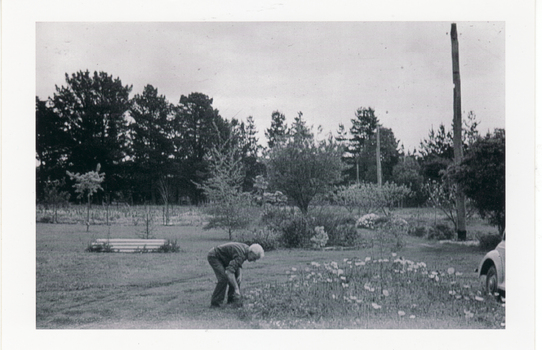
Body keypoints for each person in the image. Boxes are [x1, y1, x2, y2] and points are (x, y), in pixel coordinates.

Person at [207, 242, 264, 308]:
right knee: (223, 278)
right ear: (251, 252)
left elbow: (237, 262)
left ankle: (232, 300)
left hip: (225, 257)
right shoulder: (241, 254)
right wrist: (236, 288)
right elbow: (229, 272)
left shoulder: (246, 249)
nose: (254, 261)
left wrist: (239, 274)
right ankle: (215, 303)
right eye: (254, 258)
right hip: (215, 256)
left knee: (236, 277)